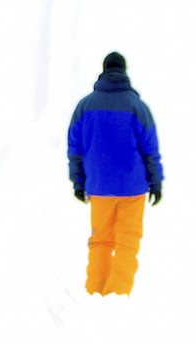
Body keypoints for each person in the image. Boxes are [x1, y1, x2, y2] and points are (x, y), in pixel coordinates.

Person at [67, 52, 164, 296]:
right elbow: (150, 150)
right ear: (124, 71)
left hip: (99, 187)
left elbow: (75, 149)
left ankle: (94, 291)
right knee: (127, 243)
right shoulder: (137, 107)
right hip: (132, 188)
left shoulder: (84, 106)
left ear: (103, 70)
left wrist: (78, 181)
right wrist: (156, 181)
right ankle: (117, 295)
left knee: (100, 242)